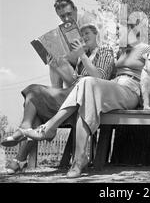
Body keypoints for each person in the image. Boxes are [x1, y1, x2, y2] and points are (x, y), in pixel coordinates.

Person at [21, 21, 150, 178]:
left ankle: (49, 128)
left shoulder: (145, 48)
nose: (117, 34)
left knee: (86, 82)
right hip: (113, 88)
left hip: (130, 90)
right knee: (85, 90)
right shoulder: (122, 52)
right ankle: (79, 159)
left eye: (119, 30)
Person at [1, 22, 114, 174]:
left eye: (87, 33)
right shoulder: (83, 56)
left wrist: (80, 54)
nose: (84, 37)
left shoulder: (105, 50)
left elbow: (100, 78)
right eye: (82, 35)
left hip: (87, 97)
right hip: (72, 94)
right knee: (34, 94)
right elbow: (73, 80)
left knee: (35, 96)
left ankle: (20, 154)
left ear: (96, 35)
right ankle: (25, 134)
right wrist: (56, 64)